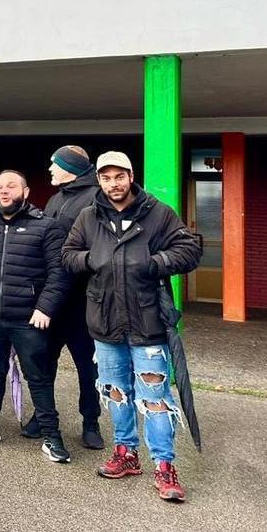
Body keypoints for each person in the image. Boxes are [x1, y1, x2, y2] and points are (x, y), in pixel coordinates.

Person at [63, 151, 202, 502]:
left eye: (119, 177)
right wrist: (89, 259)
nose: (114, 184)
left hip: (148, 323)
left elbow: (189, 250)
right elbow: (67, 255)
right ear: (99, 180)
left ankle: (164, 466)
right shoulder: (88, 216)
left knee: (155, 398)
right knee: (115, 392)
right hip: (105, 321)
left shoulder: (157, 213)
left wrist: (155, 262)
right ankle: (126, 454)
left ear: (130, 175)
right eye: (106, 178)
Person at [0, 170, 72, 464]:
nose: (4, 191)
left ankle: (52, 437)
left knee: (39, 378)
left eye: (11, 186)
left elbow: (59, 273)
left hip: (28, 320)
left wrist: (45, 308)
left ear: (26, 191)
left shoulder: (46, 226)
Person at [22, 145, 104, 449]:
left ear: (70, 168)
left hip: (82, 300)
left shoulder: (95, 198)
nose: (50, 170)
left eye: (54, 165)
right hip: (51, 300)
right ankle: (42, 416)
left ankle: (91, 422)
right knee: (44, 363)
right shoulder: (56, 198)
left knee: (87, 366)